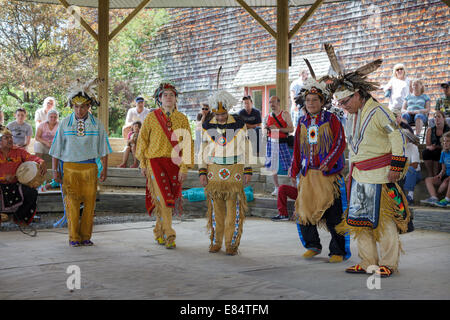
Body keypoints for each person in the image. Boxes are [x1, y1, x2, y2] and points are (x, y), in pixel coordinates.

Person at [324, 43, 411, 278]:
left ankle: (389, 264)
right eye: (340, 104)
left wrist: (396, 166)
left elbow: (396, 135)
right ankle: (366, 263)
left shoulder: (378, 112)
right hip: (360, 176)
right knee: (360, 223)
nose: (344, 107)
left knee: (384, 223)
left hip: (381, 174)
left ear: (359, 94)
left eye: (346, 102)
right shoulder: (355, 115)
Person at [289, 75, 348, 263]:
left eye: (315, 100)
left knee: (333, 214)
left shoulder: (332, 119)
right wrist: (294, 169)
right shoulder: (302, 122)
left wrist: (329, 161)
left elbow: (340, 142)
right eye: (308, 100)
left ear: (322, 101)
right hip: (308, 175)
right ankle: (312, 245)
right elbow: (298, 148)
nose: (311, 103)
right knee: (304, 211)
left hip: (328, 175)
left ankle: (338, 251)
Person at [49, 78, 112, 247]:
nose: (79, 110)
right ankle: (73, 237)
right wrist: (55, 171)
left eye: (83, 106)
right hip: (69, 169)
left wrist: (104, 169)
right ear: (72, 106)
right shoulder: (64, 124)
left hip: (90, 168)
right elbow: (56, 149)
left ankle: (85, 236)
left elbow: (104, 148)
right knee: (72, 203)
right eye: (76, 106)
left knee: (90, 204)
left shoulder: (97, 124)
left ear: (89, 106)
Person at [135, 83, 194, 249]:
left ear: (176, 99)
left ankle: (158, 231)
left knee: (165, 200)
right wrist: (143, 163)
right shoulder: (151, 117)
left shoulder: (182, 118)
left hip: (174, 163)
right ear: (159, 99)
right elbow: (142, 141)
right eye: (165, 95)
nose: (168, 97)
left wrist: (184, 167)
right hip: (155, 162)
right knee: (164, 198)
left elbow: (187, 143)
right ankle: (169, 234)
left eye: (171, 95)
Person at [198, 90, 253, 255]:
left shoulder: (238, 124)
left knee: (234, 209)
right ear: (213, 111)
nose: (220, 117)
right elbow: (202, 150)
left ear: (228, 110)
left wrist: (248, 169)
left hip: (234, 170)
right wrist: (202, 171)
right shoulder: (208, 126)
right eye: (217, 114)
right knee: (216, 210)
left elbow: (247, 148)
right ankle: (216, 241)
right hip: (214, 171)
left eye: (223, 114)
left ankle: (231, 244)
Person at [0, 125, 46, 226]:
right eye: (6, 137)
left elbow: (32, 158)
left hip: (16, 184)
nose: (10, 139)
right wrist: (3, 178)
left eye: (10, 137)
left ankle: (20, 219)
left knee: (31, 192)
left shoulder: (19, 151)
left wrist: (41, 161)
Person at [263, 96, 294, 196]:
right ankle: (276, 187)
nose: (272, 104)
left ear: (278, 103)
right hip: (271, 142)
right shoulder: (267, 116)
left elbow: (291, 129)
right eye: (270, 102)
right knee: (273, 166)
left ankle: (295, 187)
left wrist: (278, 128)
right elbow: (264, 131)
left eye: (273, 102)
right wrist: (267, 129)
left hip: (282, 142)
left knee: (289, 165)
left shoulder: (285, 114)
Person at [420, 131, 450, 208]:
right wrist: (440, 175)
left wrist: (447, 180)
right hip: (446, 176)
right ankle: (434, 198)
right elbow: (443, 169)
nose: (445, 143)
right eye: (443, 141)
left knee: (447, 183)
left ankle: (447, 199)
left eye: (447, 141)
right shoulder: (443, 153)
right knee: (428, 180)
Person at [422, 110, 449, 177]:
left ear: (443, 118)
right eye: (435, 117)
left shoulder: (448, 130)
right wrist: (430, 147)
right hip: (433, 149)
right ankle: (430, 173)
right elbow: (428, 145)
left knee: (437, 152)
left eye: (439, 117)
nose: (436, 119)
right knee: (425, 152)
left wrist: (437, 147)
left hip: (445, 150)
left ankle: (436, 174)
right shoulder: (430, 130)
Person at [400, 129, 422, 206]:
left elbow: (415, 165)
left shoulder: (413, 147)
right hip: (400, 173)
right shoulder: (396, 148)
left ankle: (410, 196)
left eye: (403, 137)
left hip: (415, 174)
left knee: (410, 169)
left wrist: (401, 168)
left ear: (408, 138)